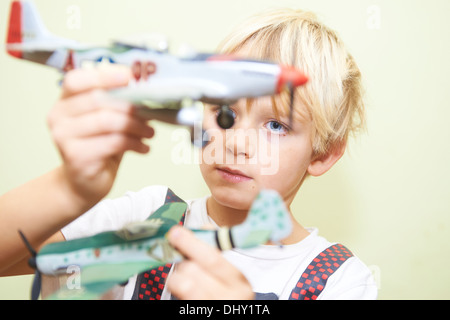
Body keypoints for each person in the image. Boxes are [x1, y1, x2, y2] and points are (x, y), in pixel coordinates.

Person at [0, 8, 377, 299]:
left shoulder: (341, 280)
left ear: (322, 154)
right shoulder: (147, 216)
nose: (236, 142)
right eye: (223, 113)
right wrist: (70, 189)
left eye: (276, 125)